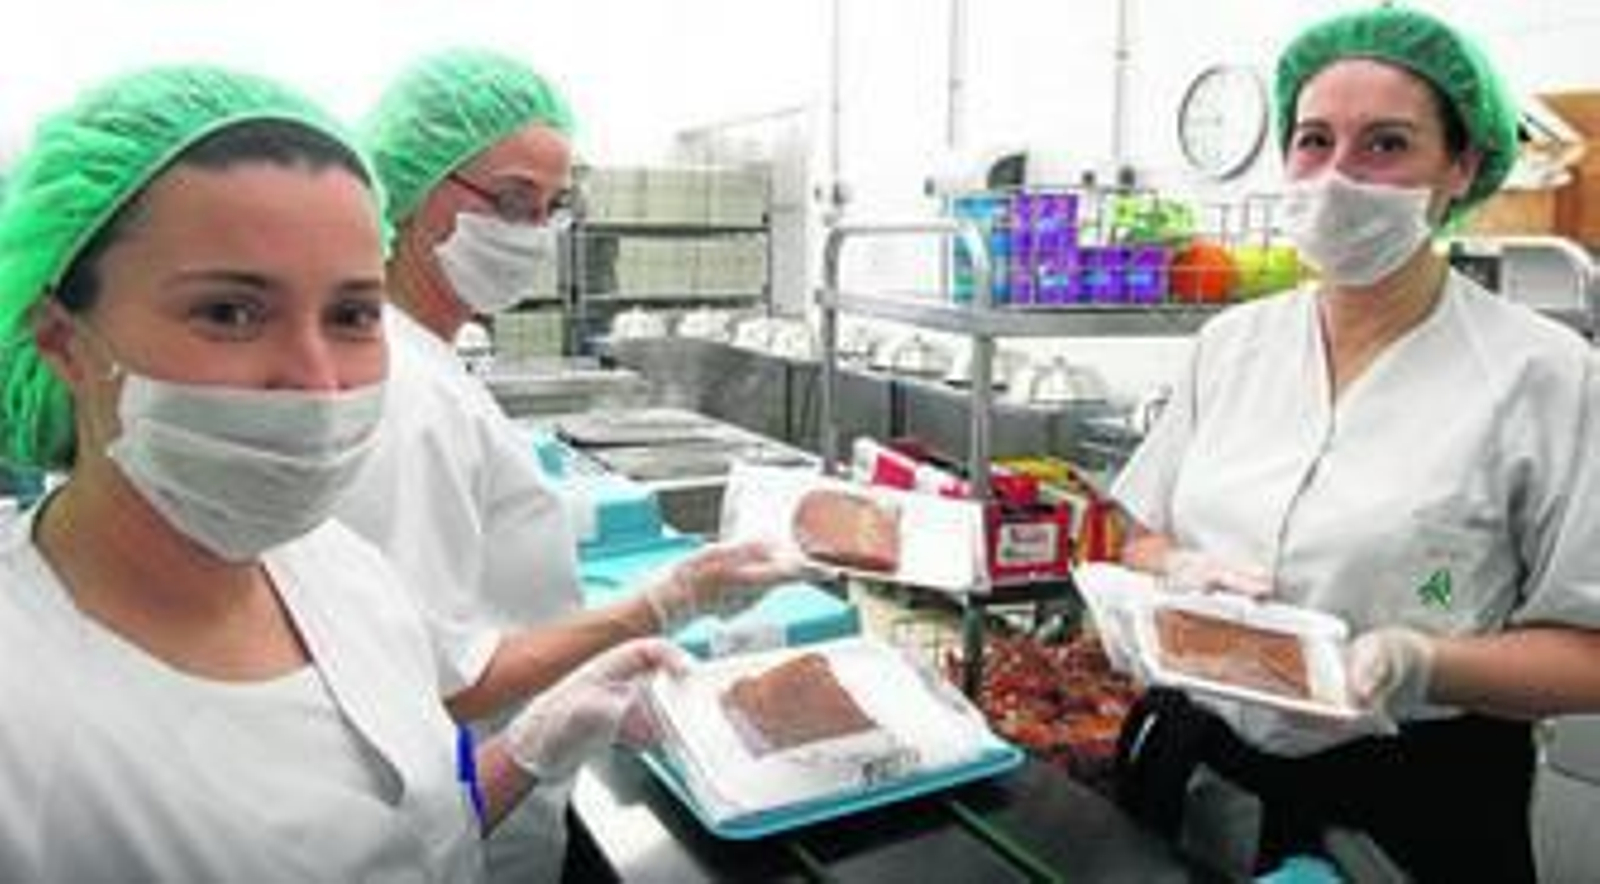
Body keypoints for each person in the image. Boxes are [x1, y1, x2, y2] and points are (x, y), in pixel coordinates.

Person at [0, 64, 688, 882]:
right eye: (230, 311)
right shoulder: (25, 725)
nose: (318, 383)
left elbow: (411, 842)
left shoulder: (338, 573)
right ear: (61, 340)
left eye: (353, 314)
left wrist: (531, 751)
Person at [1110, 7, 1600, 882]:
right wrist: (1173, 570)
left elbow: (1591, 656)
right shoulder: (1231, 345)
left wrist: (1421, 663)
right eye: (1313, 140)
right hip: (1202, 773)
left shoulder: (1551, 378)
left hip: (1415, 806)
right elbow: (1138, 534)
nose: (1337, 177)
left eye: (1385, 145)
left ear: (1464, 165)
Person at [337, 48, 800, 880]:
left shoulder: (429, 359)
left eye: (551, 207)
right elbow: (438, 679)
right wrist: (660, 604)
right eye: (511, 200)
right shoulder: (405, 394)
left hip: (490, 801)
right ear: (404, 185)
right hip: (465, 823)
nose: (530, 232)